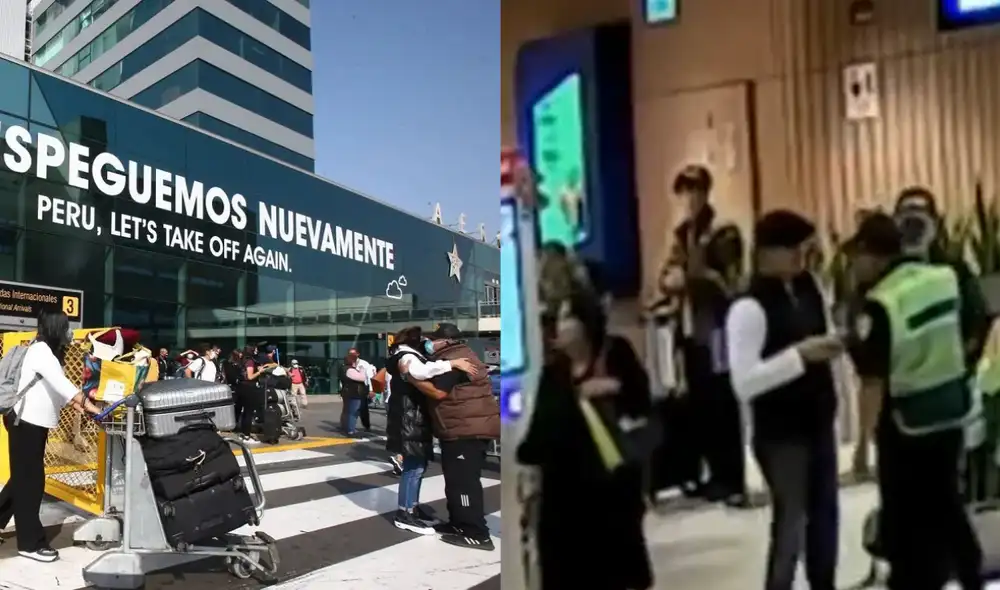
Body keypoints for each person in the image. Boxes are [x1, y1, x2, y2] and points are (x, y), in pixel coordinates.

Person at [846, 213, 984, 590]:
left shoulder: (880, 303)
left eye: (856, 257)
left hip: (907, 423)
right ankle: (970, 574)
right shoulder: (943, 278)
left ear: (874, 256)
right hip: (950, 412)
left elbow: (872, 383)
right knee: (947, 502)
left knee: (905, 514)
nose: (854, 267)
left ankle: (915, 581)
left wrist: (861, 446)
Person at [725, 210, 844, 590]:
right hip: (780, 434)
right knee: (791, 521)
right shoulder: (748, 307)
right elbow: (744, 382)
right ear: (767, 253)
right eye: (793, 249)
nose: (800, 257)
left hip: (819, 419)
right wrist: (799, 356)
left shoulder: (810, 288)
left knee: (825, 516)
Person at [518, 282, 654, 590]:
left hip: (614, 490)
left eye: (567, 318)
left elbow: (642, 404)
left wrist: (614, 388)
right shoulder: (554, 373)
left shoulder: (616, 354)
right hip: (566, 501)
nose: (559, 327)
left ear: (585, 322)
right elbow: (538, 438)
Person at [648, 164, 741, 497]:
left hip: (716, 327)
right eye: (684, 192)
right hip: (688, 328)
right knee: (699, 403)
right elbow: (665, 274)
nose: (689, 198)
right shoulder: (682, 233)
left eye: (695, 190)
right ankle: (709, 474)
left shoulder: (722, 232)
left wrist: (688, 280)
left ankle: (731, 477)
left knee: (721, 403)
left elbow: (729, 281)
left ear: (706, 192)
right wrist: (673, 281)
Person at [0, 309, 102, 562]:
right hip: (26, 422)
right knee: (31, 483)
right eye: (66, 326)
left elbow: (56, 390)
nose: (69, 332)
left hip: (33, 423)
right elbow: (61, 384)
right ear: (57, 327)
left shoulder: (46, 352)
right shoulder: (41, 352)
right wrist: (88, 405)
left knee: (23, 478)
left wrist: (79, 405)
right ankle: (29, 543)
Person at [408, 323, 500, 550]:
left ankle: (476, 533)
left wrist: (412, 379)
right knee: (454, 481)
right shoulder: (454, 358)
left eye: (433, 339)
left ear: (446, 341)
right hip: (460, 428)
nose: (429, 343)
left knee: (463, 483)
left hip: (466, 430)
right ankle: (458, 523)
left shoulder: (457, 361)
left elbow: (438, 392)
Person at [384, 326, 479, 535]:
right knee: (413, 467)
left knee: (418, 466)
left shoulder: (407, 354)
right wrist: (452, 363)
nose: (429, 342)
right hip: (409, 419)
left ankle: (413, 508)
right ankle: (405, 514)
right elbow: (418, 372)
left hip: (413, 418)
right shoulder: (406, 356)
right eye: (426, 339)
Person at [236, 344, 265, 444]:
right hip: (249, 388)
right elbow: (250, 376)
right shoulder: (250, 361)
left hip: (241, 387)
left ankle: (244, 433)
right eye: (255, 349)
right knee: (249, 412)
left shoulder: (242, 360)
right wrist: (259, 371)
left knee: (245, 413)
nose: (257, 350)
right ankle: (247, 436)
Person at [339, 350, 368, 436]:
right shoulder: (350, 370)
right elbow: (362, 378)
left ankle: (346, 427)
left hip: (348, 393)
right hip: (353, 393)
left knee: (347, 411)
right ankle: (351, 430)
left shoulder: (344, 368)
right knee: (353, 412)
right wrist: (362, 370)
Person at [355, 351, 377, 432]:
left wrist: (371, 390)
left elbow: (369, 377)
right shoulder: (349, 364)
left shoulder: (364, 364)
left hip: (363, 387)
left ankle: (366, 425)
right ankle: (350, 425)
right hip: (352, 387)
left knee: (362, 407)